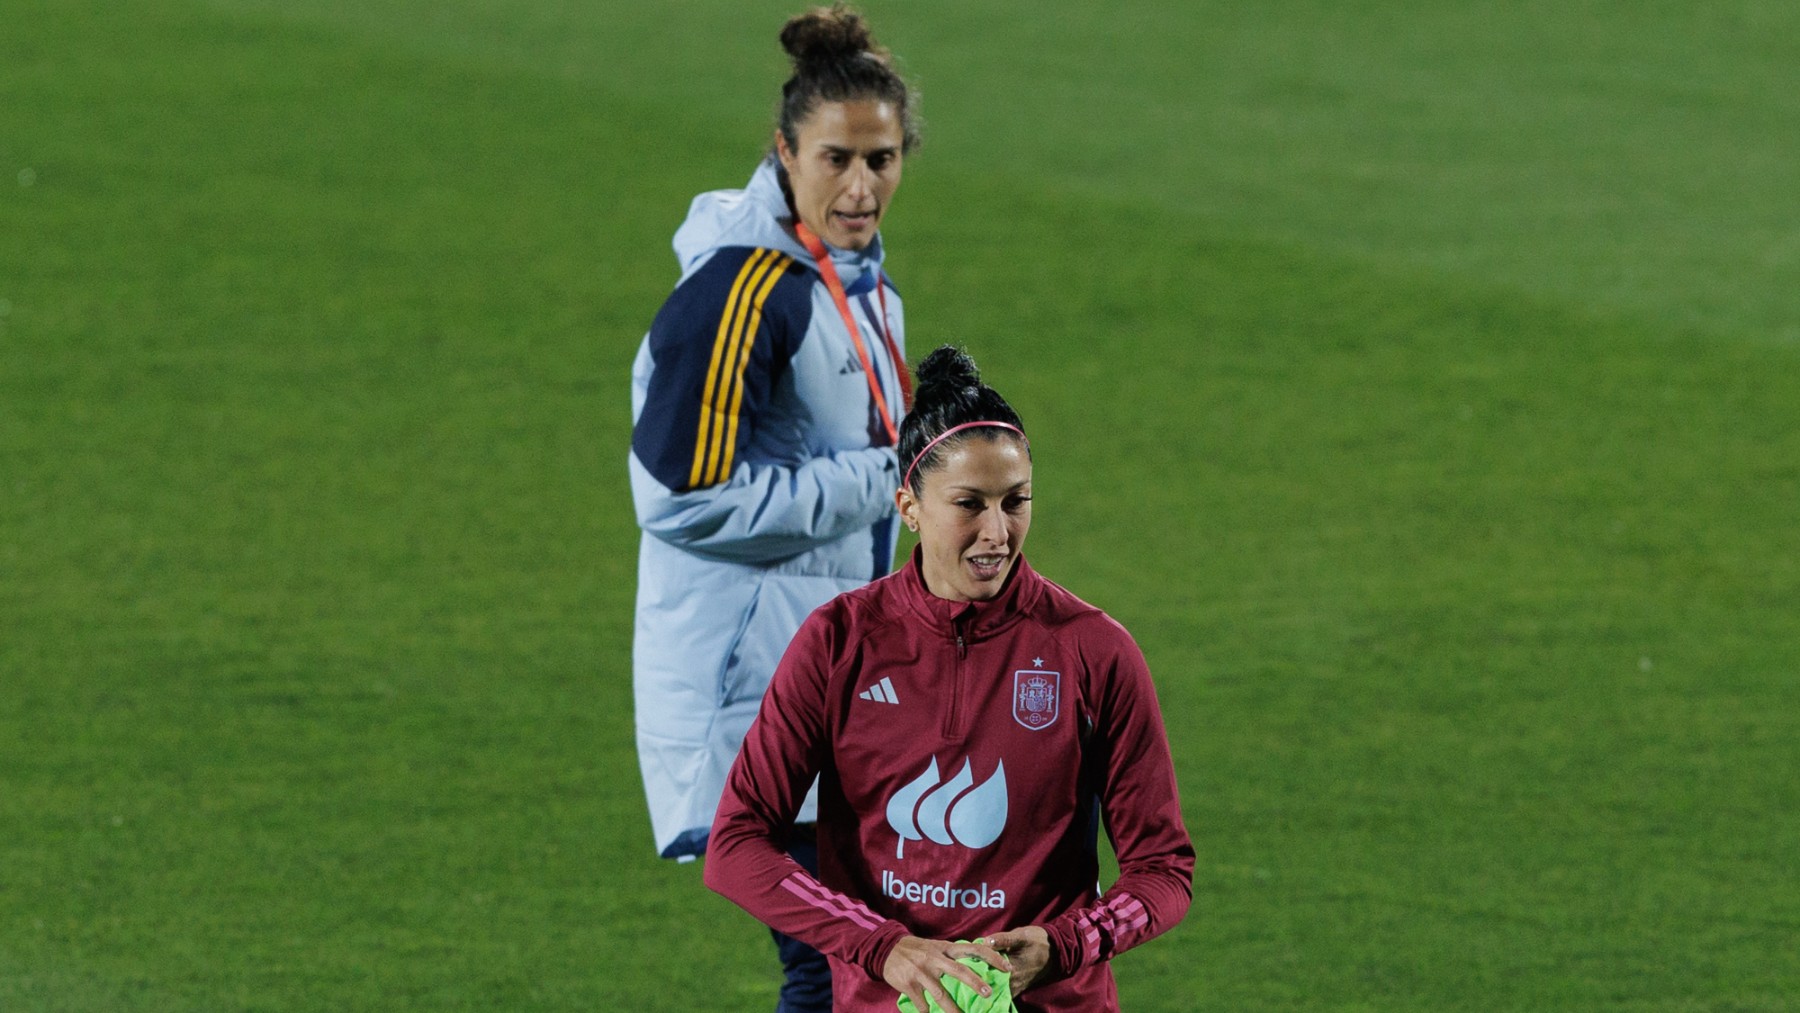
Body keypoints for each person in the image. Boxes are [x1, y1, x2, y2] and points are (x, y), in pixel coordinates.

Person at [705, 346, 1195, 1012]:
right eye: (970, 504)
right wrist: (883, 947)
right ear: (908, 505)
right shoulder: (837, 644)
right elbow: (736, 843)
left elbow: (1163, 871)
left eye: (1015, 501)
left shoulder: (1093, 651)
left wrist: (1065, 943)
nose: (997, 532)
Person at [628, 5, 920, 1010]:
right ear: (785, 152)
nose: (861, 185)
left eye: (881, 160)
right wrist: (886, 478)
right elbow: (682, 494)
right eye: (836, 158)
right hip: (754, 686)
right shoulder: (745, 292)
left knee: (857, 953)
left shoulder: (860, 284)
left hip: (836, 678)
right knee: (839, 957)